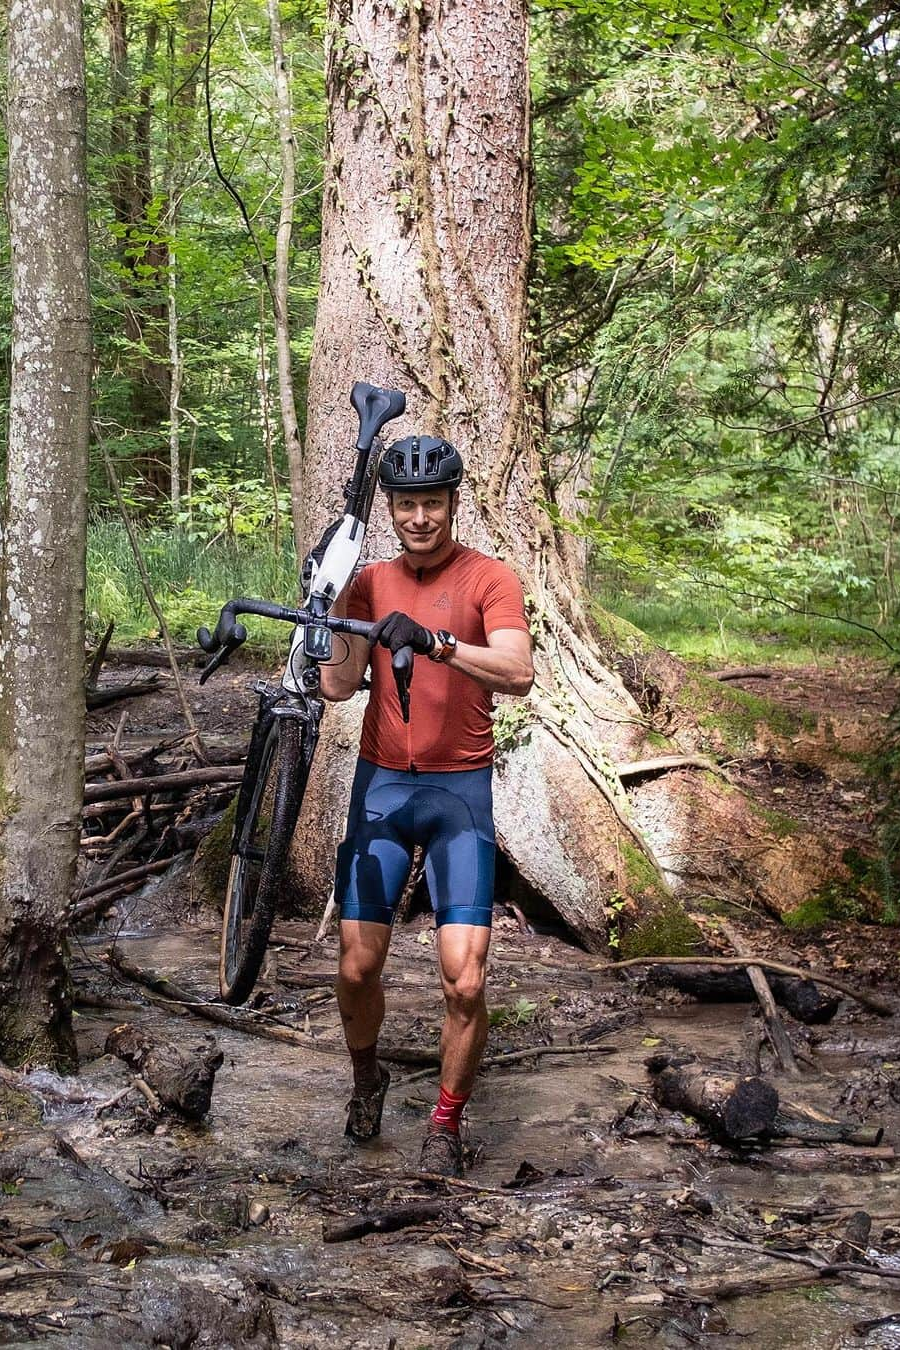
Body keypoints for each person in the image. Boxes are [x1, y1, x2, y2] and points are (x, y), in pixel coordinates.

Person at [319, 433, 534, 1177]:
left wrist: (439, 644)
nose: (419, 517)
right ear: (390, 509)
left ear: (452, 504)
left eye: (431, 504)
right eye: (406, 504)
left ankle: (445, 1122)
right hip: (383, 786)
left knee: (465, 979)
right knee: (354, 966)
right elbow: (338, 688)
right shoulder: (372, 581)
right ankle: (365, 1079)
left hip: (457, 794)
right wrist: (330, 601)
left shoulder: (488, 578)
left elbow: (517, 670)